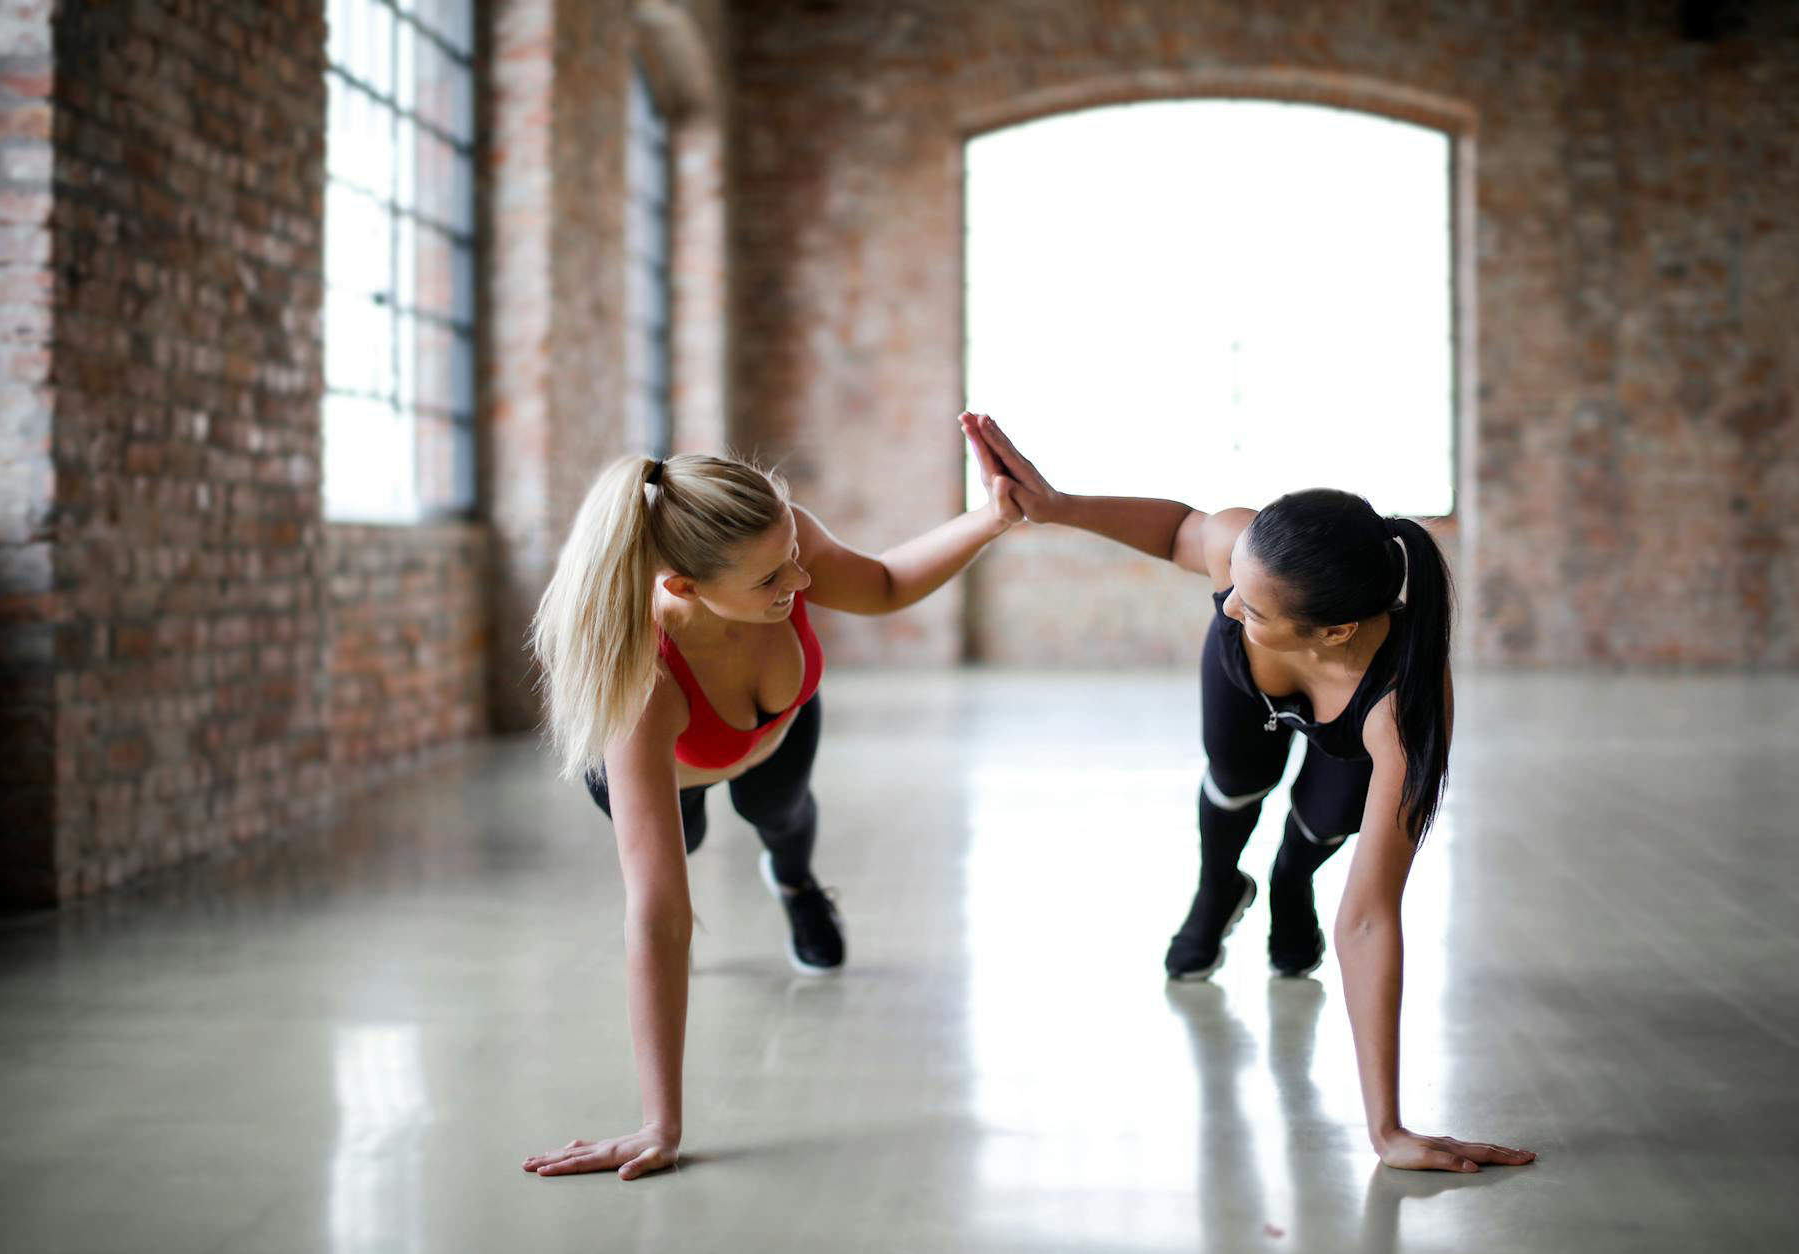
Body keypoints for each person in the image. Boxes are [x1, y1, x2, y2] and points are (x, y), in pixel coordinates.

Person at [961, 412, 1534, 1174]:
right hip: (1246, 682)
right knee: (1237, 784)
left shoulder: (1406, 709)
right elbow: (1178, 534)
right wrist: (1057, 505)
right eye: (1237, 587)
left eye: (1254, 608)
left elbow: (1369, 918)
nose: (1229, 604)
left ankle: (1288, 884)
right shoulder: (1247, 557)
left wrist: (1388, 1129)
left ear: (1335, 632)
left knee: (1323, 824)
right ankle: (1217, 889)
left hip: (1347, 723)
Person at [521, 442, 1021, 1180]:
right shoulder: (643, 684)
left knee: (782, 817)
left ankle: (796, 885)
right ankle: (748, 854)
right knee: (675, 857)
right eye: (773, 578)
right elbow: (657, 913)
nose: (803, 577)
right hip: (677, 770)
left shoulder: (780, 534)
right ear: (685, 587)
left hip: (776, 729)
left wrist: (991, 519)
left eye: (793, 552)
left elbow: (881, 583)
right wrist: (662, 1124)